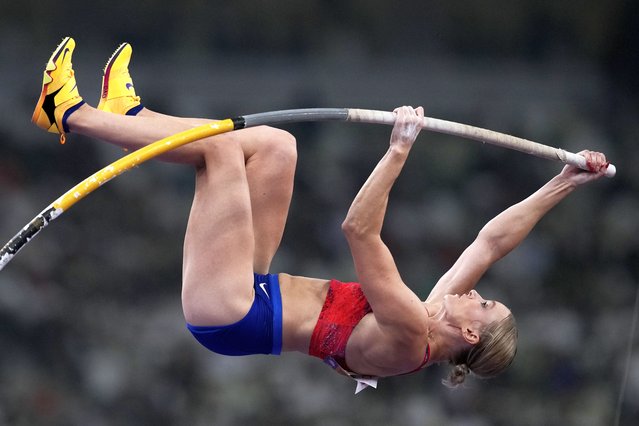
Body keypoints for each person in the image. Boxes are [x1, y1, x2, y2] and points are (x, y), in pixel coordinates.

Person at [32, 37, 610, 393]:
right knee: (277, 149)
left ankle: (70, 113)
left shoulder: (412, 332)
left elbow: (358, 229)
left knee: (222, 150)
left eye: (483, 305)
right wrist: (564, 181)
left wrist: (398, 150)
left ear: (467, 333)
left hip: (228, 311)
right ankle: (131, 113)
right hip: (253, 289)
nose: (476, 295)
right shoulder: (432, 316)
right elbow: (489, 243)